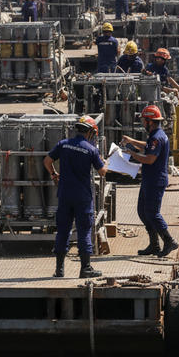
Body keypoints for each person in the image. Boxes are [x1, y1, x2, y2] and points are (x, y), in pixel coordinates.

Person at [44, 116, 108, 278]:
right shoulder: (91, 150)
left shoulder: (64, 144)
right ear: (91, 132)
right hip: (83, 197)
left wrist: (54, 175)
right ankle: (85, 268)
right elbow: (102, 172)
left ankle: (59, 270)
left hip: (65, 194)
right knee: (84, 230)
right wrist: (105, 162)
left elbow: (47, 161)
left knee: (63, 230)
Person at [121, 105, 179, 258]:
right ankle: (154, 244)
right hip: (149, 180)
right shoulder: (156, 135)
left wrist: (131, 153)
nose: (143, 124)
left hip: (155, 180)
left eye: (144, 121)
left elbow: (149, 159)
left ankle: (169, 240)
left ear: (150, 121)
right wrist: (132, 141)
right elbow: (147, 147)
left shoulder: (157, 138)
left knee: (152, 213)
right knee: (143, 211)